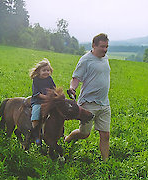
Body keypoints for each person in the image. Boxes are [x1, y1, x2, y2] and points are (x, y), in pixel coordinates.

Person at [65, 33, 111, 161]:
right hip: (88, 103)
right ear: (93, 46)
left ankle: (105, 162)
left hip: (104, 103)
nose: (105, 50)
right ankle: (68, 139)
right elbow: (76, 78)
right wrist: (72, 89)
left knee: (105, 135)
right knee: (84, 134)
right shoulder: (85, 60)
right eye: (102, 46)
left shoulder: (105, 58)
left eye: (107, 46)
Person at [29, 58, 56, 145]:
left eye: (48, 70)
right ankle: (36, 132)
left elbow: (53, 88)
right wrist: (45, 97)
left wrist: (54, 95)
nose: (46, 72)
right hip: (38, 100)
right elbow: (36, 93)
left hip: (48, 100)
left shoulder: (49, 79)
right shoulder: (36, 80)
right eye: (44, 70)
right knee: (36, 114)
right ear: (39, 71)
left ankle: (56, 130)